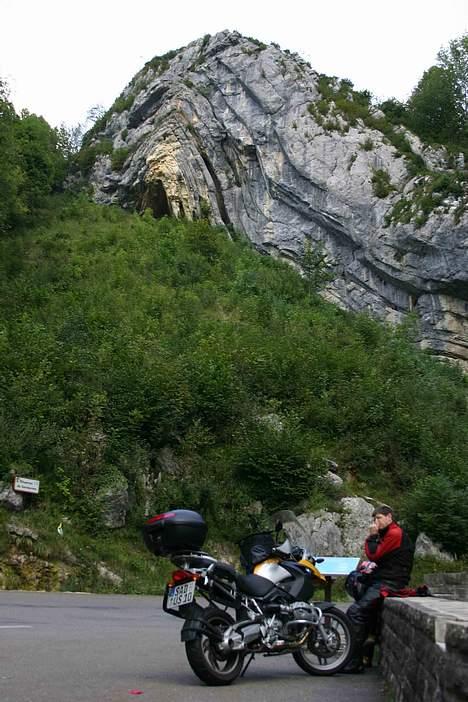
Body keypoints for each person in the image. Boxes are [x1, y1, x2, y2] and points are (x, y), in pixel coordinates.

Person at [344, 505, 414, 673]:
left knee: (356, 612)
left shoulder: (394, 534)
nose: (376, 522)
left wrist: (372, 536)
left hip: (390, 582)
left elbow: (374, 555)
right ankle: (363, 657)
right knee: (365, 610)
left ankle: (353, 662)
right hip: (385, 580)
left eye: (379, 518)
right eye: (374, 519)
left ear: (389, 517)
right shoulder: (389, 533)